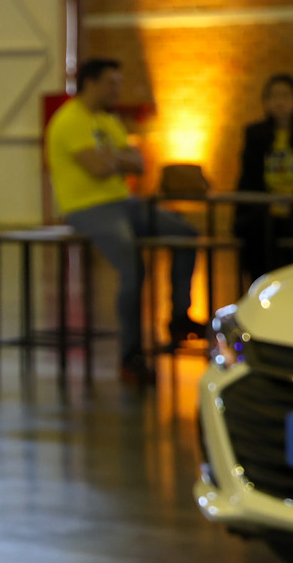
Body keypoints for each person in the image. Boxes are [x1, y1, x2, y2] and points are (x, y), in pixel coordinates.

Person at [44, 58, 201, 385]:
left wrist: (114, 158)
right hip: (88, 208)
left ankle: (179, 317)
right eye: (111, 83)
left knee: (186, 233)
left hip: (123, 203)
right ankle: (130, 354)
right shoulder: (70, 121)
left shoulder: (107, 120)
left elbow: (140, 162)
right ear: (90, 83)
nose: (117, 90)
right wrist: (118, 159)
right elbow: (98, 168)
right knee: (133, 267)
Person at [234, 73, 293, 286]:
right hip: (264, 210)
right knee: (259, 233)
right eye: (274, 96)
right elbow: (248, 177)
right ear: (266, 102)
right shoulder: (255, 134)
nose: (280, 101)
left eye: (286, 95)